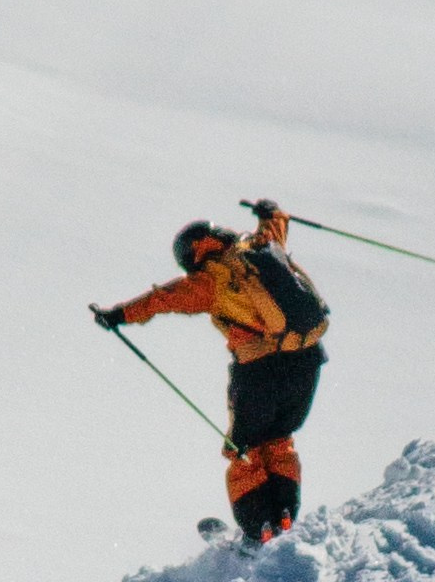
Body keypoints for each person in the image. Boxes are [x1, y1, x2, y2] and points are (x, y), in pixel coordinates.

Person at [94, 200, 329, 541]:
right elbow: (276, 224)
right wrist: (269, 211)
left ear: (191, 257)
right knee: (279, 441)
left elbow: (162, 299)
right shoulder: (262, 246)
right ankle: (285, 518)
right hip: (307, 359)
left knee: (244, 450)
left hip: (258, 370)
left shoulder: (209, 282)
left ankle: (259, 528)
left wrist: (116, 315)